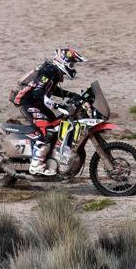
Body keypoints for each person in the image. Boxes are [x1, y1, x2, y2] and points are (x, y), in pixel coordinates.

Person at [12, 47, 86, 175]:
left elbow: (50, 89)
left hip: (36, 102)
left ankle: (49, 159)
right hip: (27, 102)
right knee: (47, 131)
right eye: (72, 64)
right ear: (64, 61)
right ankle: (36, 165)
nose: (73, 67)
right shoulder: (48, 71)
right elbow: (38, 92)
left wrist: (70, 94)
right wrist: (58, 106)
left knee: (56, 125)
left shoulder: (54, 72)